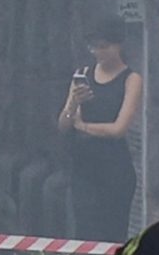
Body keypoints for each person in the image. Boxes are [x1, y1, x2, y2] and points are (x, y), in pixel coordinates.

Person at [57, 21, 144, 242]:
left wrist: (84, 127)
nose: (98, 52)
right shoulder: (82, 74)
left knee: (112, 233)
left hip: (114, 168)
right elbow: (64, 125)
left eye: (104, 46)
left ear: (118, 45)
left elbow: (118, 128)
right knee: (84, 230)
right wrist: (73, 104)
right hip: (84, 167)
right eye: (94, 47)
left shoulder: (131, 79)